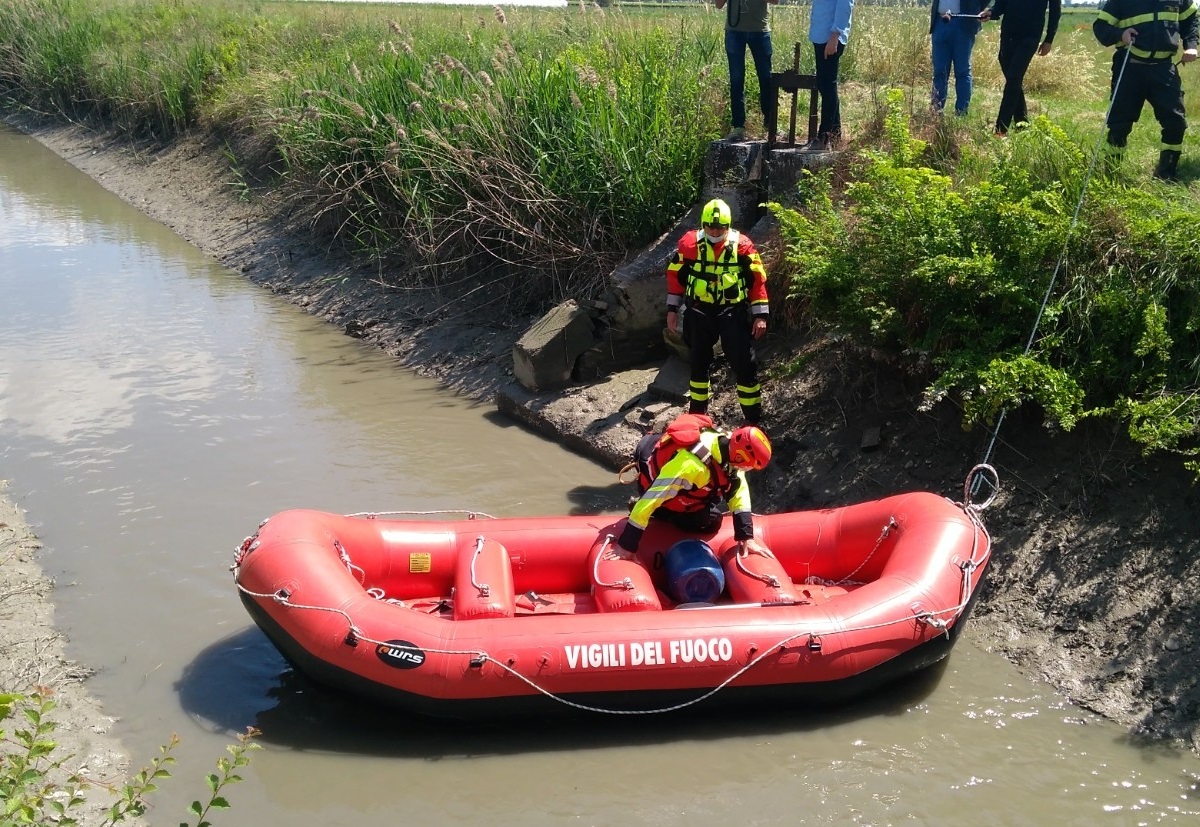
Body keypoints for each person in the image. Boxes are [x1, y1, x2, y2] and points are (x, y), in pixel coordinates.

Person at [665, 198, 769, 425]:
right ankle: (697, 417)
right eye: (710, 226)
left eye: (720, 227)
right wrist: (672, 310)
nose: (714, 231)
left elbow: (757, 280)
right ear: (702, 225)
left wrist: (760, 315)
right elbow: (675, 277)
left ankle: (753, 421)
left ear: (728, 225)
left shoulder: (742, 246)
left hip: (732, 312)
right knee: (698, 363)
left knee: (744, 364)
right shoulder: (688, 245)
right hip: (699, 312)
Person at [616, 417, 773, 558]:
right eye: (748, 466)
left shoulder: (729, 454)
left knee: (711, 510)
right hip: (654, 483)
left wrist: (746, 536)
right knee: (709, 519)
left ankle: (665, 512)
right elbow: (653, 497)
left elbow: (738, 491)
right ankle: (662, 512)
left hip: (680, 485)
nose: (746, 470)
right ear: (739, 456)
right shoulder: (692, 465)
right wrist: (627, 545)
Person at [1094, 0, 1198, 181]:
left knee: (1176, 122)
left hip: (1164, 68)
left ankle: (1166, 174)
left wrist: (1191, 45)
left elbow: (1190, 19)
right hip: (1130, 67)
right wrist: (1121, 34)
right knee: (1120, 124)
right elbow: (1101, 27)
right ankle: (1111, 174)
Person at [988, 0, 1062, 135]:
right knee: (1013, 80)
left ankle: (1000, 130)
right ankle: (1022, 123)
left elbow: (1055, 11)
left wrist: (1049, 39)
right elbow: (1001, 4)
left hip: (1030, 36)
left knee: (1014, 77)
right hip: (1008, 34)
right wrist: (990, 12)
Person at [714, 0, 779, 141]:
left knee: (766, 78)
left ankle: (770, 124)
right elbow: (718, 5)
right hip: (734, 32)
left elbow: (775, 1)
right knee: (736, 80)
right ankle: (738, 127)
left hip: (760, 31)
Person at [929, 0, 992, 116]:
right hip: (940, 21)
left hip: (964, 23)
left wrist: (977, 8)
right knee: (939, 71)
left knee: (962, 71)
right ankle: (935, 112)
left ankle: (961, 113)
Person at [809, 0, 855, 149]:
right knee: (825, 85)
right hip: (821, 34)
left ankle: (824, 136)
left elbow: (845, 5)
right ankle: (835, 135)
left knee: (828, 86)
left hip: (830, 37)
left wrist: (835, 34)